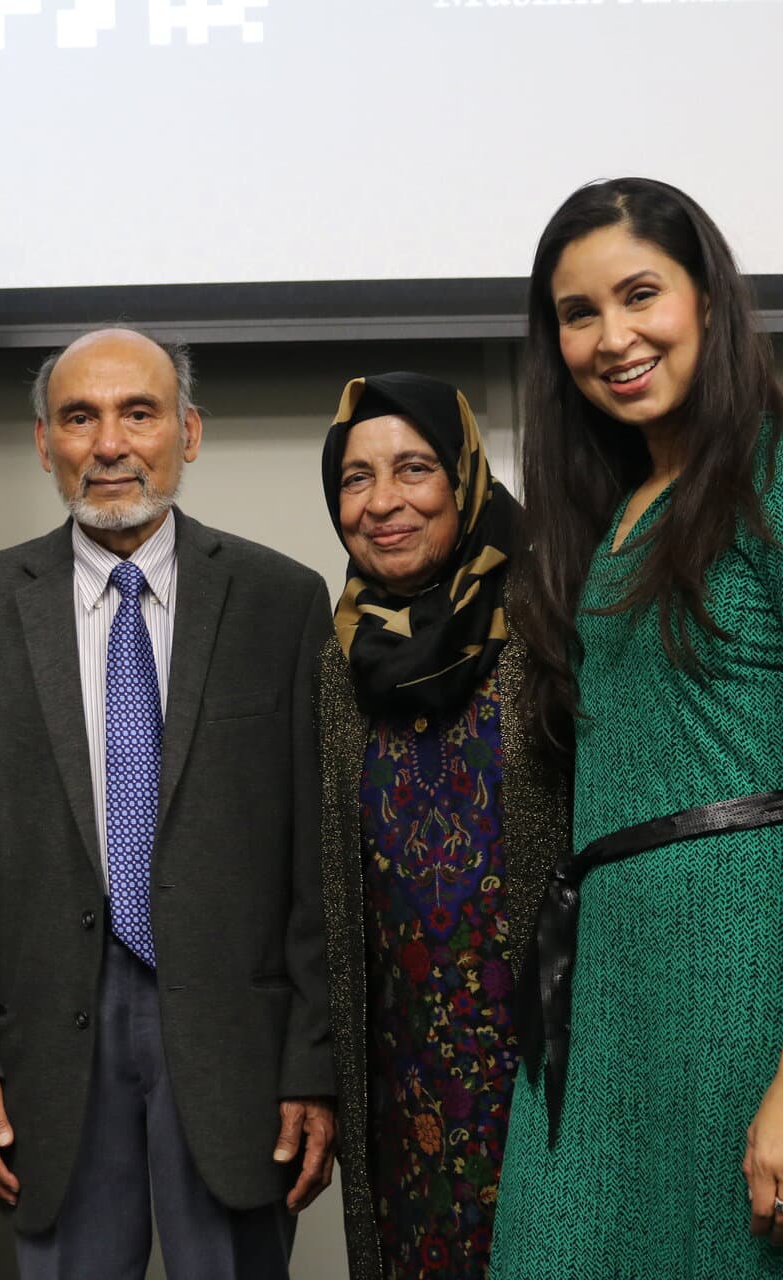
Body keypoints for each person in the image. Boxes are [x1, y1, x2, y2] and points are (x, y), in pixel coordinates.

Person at [487, 177, 783, 1277]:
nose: (613, 338)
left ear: (707, 297)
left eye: (639, 294)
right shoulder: (608, 519)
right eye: (577, 313)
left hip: (768, 1003)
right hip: (620, 1007)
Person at [0, 327, 337, 1279]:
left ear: (189, 432)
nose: (110, 444)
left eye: (139, 413)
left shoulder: (282, 601)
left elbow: (315, 860)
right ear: (44, 443)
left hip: (237, 1047)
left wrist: (313, 1061)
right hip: (44, 1049)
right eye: (78, 418)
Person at [313, 373, 568, 1280]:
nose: (382, 502)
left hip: (548, 1058)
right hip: (401, 1075)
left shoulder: (556, 619)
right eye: (356, 478)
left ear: (464, 478)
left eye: (414, 469)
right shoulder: (337, 657)